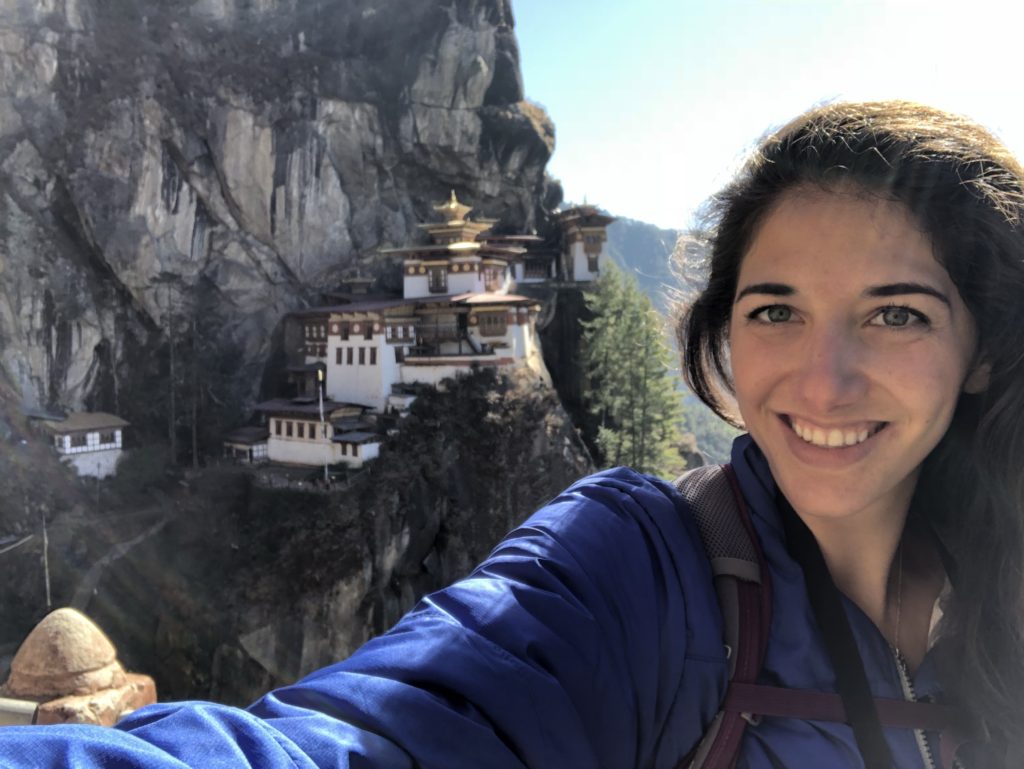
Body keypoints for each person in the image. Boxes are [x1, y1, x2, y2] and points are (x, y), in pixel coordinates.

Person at [2, 100, 1022, 768]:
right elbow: (361, 745)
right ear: (722, 331)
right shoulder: (641, 576)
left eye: (896, 314)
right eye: (772, 310)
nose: (822, 379)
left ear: (982, 346)